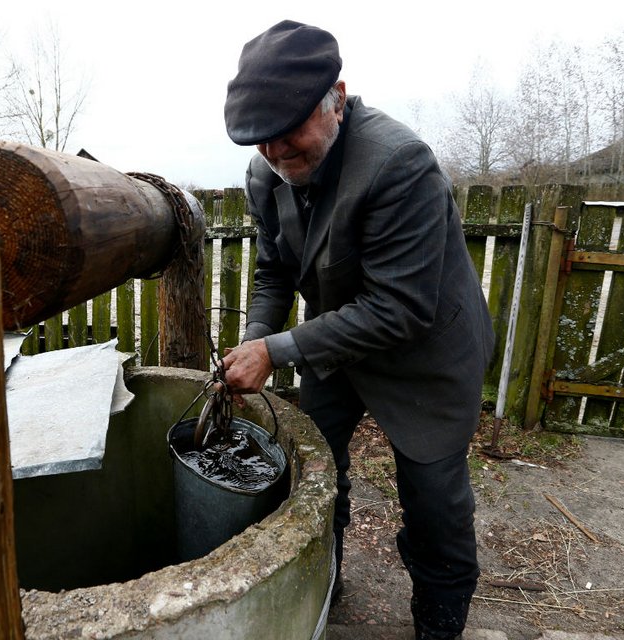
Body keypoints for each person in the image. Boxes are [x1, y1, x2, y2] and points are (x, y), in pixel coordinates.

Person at [220, 20, 495, 640]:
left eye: (290, 133)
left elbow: (398, 308)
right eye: (262, 140)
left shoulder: (400, 164)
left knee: (435, 506)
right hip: (336, 347)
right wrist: (256, 336)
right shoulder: (266, 174)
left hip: (425, 352)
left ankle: (439, 623)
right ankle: (327, 580)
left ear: (337, 100)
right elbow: (274, 271)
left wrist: (276, 351)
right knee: (316, 472)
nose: (276, 153)